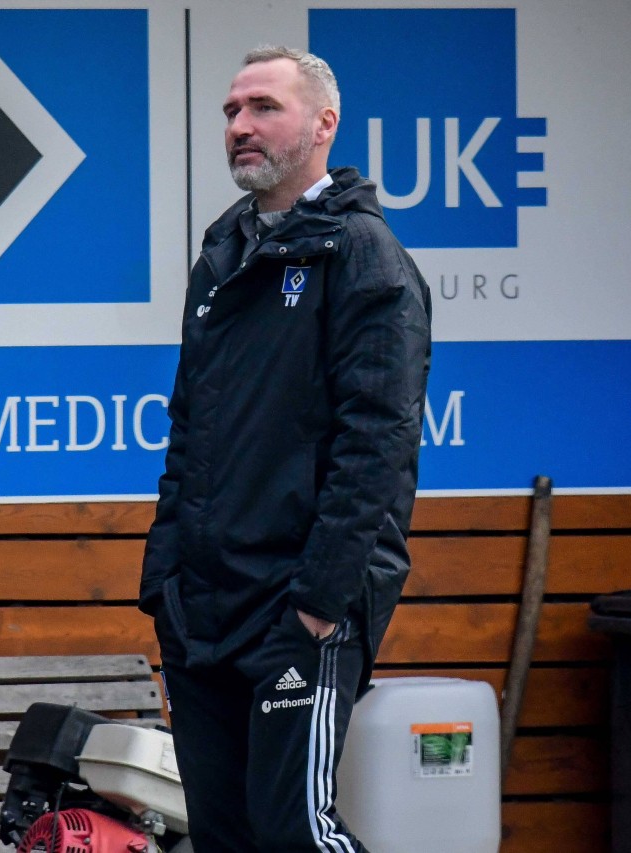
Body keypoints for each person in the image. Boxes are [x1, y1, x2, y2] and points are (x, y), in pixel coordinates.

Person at [139, 45, 432, 852]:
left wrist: (316, 603)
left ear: (323, 124)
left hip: (298, 606)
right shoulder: (223, 253)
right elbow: (191, 426)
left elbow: (378, 442)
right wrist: (165, 580)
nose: (239, 125)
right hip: (201, 609)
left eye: (264, 107)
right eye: (232, 110)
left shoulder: (364, 255)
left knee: (295, 832)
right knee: (225, 838)